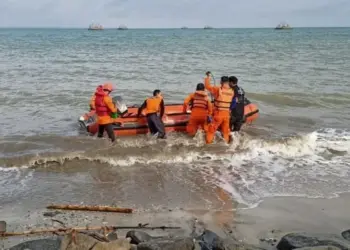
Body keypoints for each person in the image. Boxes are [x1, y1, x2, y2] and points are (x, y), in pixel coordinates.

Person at [204, 72, 234, 144]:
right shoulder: (232, 91)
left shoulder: (218, 89)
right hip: (227, 115)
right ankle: (226, 145)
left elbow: (207, 86)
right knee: (225, 131)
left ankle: (208, 145)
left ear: (221, 82)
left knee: (211, 130)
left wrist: (207, 77)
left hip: (219, 114)